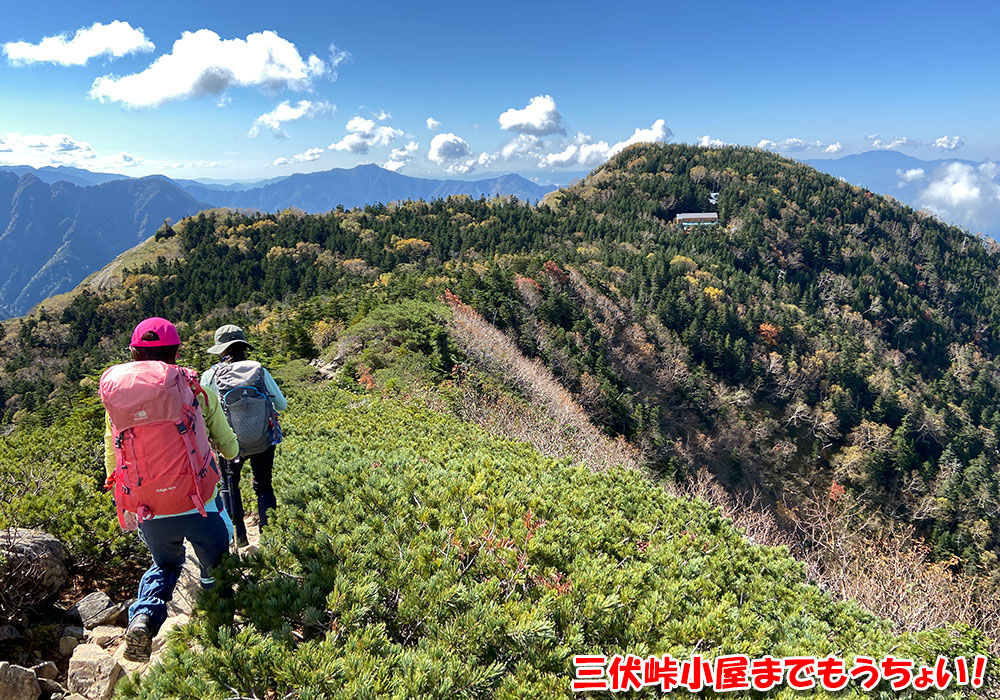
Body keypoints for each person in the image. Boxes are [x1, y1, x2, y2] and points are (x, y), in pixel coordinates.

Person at [101, 317, 239, 662]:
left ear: (134, 353)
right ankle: (220, 632)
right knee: (217, 564)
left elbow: (112, 455)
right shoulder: (190, 386)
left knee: (164, 564)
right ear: (176, 352)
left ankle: (145, 617)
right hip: (200, 503)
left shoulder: (120, 400)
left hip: (150, 509)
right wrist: (232, 453)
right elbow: (225, 441)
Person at [201, 324, 287, 549]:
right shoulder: (258, 369)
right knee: (264, 485)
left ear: (221, 350)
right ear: (243, 346)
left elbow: (201, 413)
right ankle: (270, 538)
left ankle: (238, 536)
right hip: (263, 440)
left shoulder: (210, 375)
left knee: (230, 485)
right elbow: (282, 404)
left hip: (229, 442)